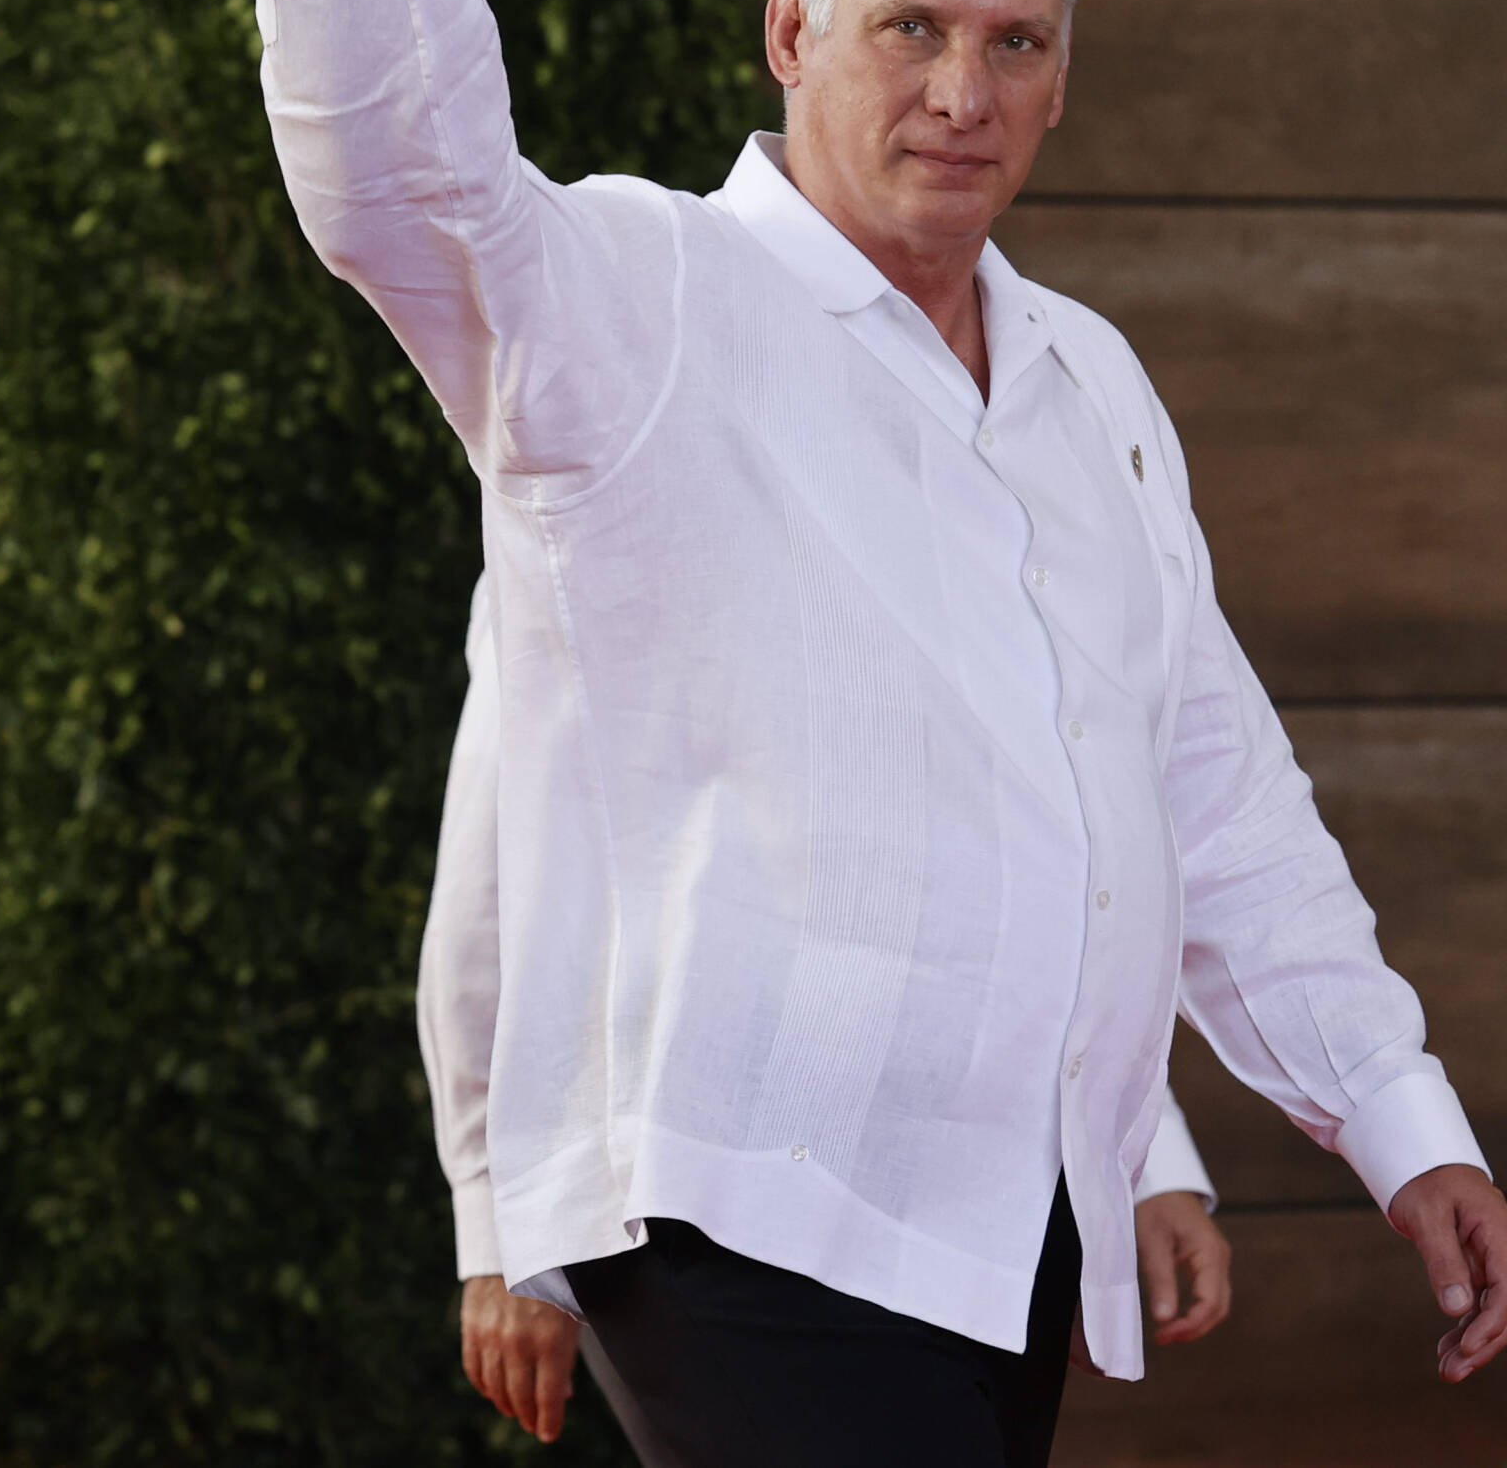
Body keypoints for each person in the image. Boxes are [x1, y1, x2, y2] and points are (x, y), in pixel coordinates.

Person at [246, 0, 1507, 1465]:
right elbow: (398, 178)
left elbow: (1194, 776)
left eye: (1016, 42)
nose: (962, 89)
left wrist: (1389, 1111)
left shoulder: (1087, 373)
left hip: (1004, 1221)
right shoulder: (641, 293)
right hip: (747, 1200)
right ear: (790, 31)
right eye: (910, 27)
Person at [426, 582, 1236, 1449]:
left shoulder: (992, 510)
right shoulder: (632, 475)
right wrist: (500, 1219)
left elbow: (1043, 868)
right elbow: (496, 874)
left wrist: (1138, 1156)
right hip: (712, 1204)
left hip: (991, 1215)